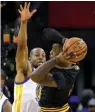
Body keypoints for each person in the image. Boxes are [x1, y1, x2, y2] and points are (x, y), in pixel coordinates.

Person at [30, 28, 86, 112]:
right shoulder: (71, 62)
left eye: (53, 50)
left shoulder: (64, 77)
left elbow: (34, 77)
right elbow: (47, 32)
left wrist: (56, 59)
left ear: (62, 55)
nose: (51, 52)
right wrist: (64, 40)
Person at [12, 2, 46, 112]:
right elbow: (22, 47)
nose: (41, 57)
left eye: (43, 56)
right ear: (29, 59)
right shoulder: (25, 71)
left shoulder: (47, 80)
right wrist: (24, 22)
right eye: (37, 55)